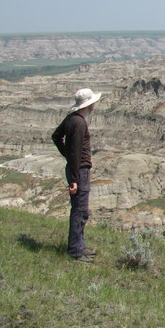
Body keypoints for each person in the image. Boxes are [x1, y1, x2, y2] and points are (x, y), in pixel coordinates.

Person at [52, 88, 101, 263]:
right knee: (80, 212)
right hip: (80, 171)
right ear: (88, 104)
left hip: (76, 169)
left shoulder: (70, 119)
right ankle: (75, 252)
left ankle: (79, 247)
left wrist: (66, 156)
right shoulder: (80, 123)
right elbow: (75, 152)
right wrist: (74, 179)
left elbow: (56, 136)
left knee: (79, 210)